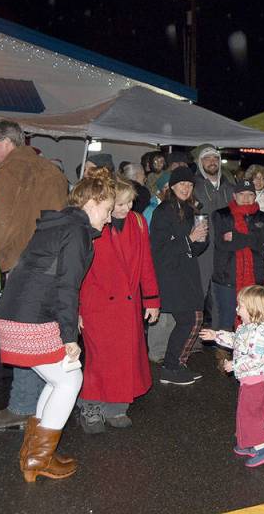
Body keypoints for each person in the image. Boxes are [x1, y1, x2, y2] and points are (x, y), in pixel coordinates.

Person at [0, 168, 116, 482]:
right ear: (91, 202)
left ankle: (34, 452)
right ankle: (38, 458)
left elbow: (46, 275)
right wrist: (68, 335)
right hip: (31, 318)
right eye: (108, 209)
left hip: (16, 312)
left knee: (56, 380)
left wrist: (69, 319)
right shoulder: (76, 233)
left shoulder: (61, 224)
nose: (110, 218)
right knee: (69, 380)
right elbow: (65, 286)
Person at [0, 120, 69, 431]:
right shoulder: (50, 169)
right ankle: (35, 401)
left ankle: (21, 405)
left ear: (6, 141)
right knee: (40, 332)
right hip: (50, 263)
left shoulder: (10, 170)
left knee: (21, 335)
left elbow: (2, 222)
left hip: (22, 263)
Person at [76, 178, 161, 433]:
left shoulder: (137, 222)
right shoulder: (92, 224)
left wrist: (152, 299)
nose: (126, 208)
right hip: (96, 303)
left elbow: (146, 261)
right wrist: (76, 309)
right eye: (120, 203)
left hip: (128, 303)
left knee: (126, 355)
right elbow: (77, 271)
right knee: (98, 359)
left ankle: (117, 406)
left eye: (130, 202)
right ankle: (90, 406)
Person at [199, 285, 264, 468]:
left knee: (250, 416)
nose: (237, 310)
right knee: (245, 413)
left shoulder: (259, 335)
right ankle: (247, 443)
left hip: (257, 382)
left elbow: (256, 359)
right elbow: (237, 341)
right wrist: (216, 335)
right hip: (253, 380)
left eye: (241, 306)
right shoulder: (249, 328)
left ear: (254, 310)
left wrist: (234, 365)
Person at [150, 166, 209, 385]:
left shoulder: (189, 209)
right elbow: (159, 248)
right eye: (181, 184)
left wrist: (201, 240)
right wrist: (190, 239)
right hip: (171, 275)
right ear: (172, 187)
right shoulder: (164, 211)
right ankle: (171, 367)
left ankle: (174, 365)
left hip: (187, 273)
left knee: (192, 319)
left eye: (189, 184)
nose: (185, 188)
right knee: (190, 320)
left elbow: (194, 247)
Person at [210, 180, 264, 331]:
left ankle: (246, 352)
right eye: (241, 194)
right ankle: (222, 352)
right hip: (227, 276)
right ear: (234, 195)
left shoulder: (262, 217)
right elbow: (222, 244)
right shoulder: (221, 215)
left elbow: (263, 246)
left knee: (252, 318)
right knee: (226, 318)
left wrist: (237, 237)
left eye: (250, 194)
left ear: (255, 197)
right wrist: (252, 239)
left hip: (253, 277)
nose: (245, 198)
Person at [192, 144, 235, 325]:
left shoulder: (229, 187)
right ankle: (192, 335)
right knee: (199, 290)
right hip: (204, 247)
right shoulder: (194, 186)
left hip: (225, 248)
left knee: (221, 292)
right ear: (201, 163)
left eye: (215, 158)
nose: (212, 162)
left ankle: (219, 336)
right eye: (207, 158)